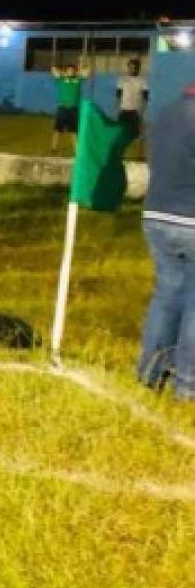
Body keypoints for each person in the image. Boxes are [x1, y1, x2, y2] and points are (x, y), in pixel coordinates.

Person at [136, 83, 195, 402]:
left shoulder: (165, 114)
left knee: (166, 297)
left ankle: (150, 375)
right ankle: (186, 387)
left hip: (157, 215)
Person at [50, 62, 88, 153]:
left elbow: (87, 71)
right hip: (63, 108)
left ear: (75, 71)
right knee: (58, 129)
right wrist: (63, 73)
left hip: (74, 108)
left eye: (72, 70)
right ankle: (54, 148)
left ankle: (77, 150)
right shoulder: (61, 78)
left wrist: (78, 72)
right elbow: (53, 70)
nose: (71, 72)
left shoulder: (78, 79)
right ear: (66, 71)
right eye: (69, 70)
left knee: (74, 131)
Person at [116, 58, 149, 141]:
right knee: (121, 133)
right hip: (124, 110)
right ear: (128, 68)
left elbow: (145, 98)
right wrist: (117, 110)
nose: (132, 70)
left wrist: (142, 112)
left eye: (134, 68)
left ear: (138, 69)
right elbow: (118, 96)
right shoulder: (122, 80)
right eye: (131, 67)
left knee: (135, 135)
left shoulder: (142, 81)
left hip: (135, 111)